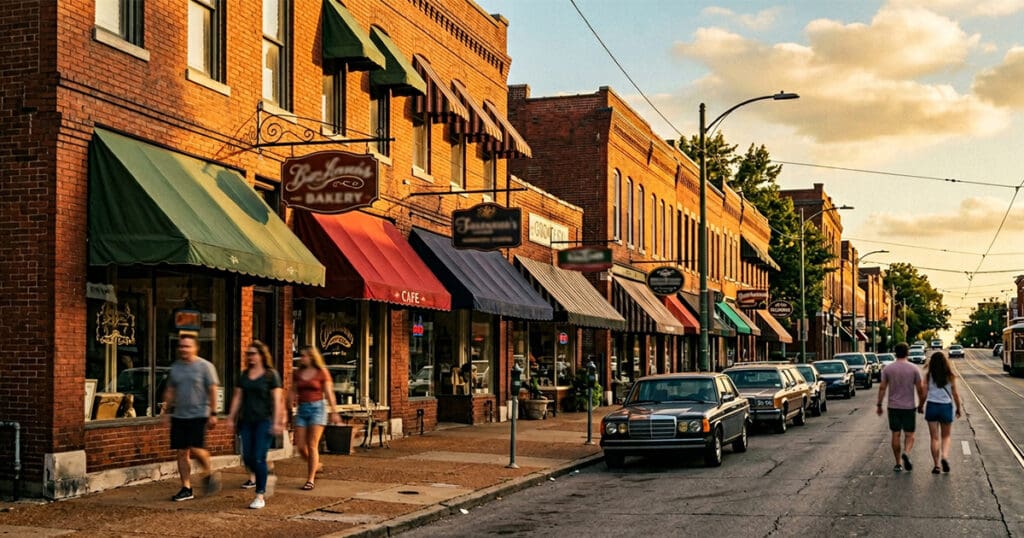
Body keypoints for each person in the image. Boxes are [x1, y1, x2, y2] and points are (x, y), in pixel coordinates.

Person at [161, 332, 220, 501]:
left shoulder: (205, 366)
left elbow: (213, 389)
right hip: (179, 415)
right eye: (181, 346)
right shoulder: (176, 367)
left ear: (195, 347)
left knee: (195, 448)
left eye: (187, 346)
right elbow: (170, 390)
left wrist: (213, 412)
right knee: (181, 452)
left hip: (199, 414)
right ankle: (186, 487)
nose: (184, 349)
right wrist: (166, 411)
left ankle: (209, 472)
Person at [227, 341, 284, 509]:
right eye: (248, 354)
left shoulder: (270, 375)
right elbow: (237, 397)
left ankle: (260, 495)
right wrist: (230, 417)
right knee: (247, 458)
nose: (250, 357)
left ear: (261, 355)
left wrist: (277, 420)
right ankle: (266, 473)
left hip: (264, 421)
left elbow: (277, 400)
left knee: (258, 456)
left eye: (253, 353)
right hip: (247, 421)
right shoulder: (244, 375)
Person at [290, 346, 341, 491]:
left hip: (317, 409)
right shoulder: (298, 373)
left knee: (312, 445)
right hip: (302, 409)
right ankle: (316, 465)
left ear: (312, 357)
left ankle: (310, 479)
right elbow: (293, 391)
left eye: (305, 356)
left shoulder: (321, 372)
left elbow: (329, 393)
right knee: (300, 446)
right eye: (301, 355)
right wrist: (287, 407)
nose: (302, 358)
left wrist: (334, 411)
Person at [876, 342, 927, 472]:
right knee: (910, 435)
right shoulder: (914, 369)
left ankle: (898, 463)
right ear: (907, 352)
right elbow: (920, 389)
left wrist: (879, 404)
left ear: (895, 353)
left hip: (893, 406)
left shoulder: (888, 369)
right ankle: (907, 452)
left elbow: (882, 388)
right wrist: (921, 404)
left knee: (895, 434)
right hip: (909, 407)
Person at [924, 351, 962, 474]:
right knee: (945, 436)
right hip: (945, 406)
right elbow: (955, 394)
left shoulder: (928, 376)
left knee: (934, 438)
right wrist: (958, 408)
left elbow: (924, 393)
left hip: (932, 406)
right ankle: (944, 457)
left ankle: (936, 466)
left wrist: (920, 406)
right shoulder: (950, 375)